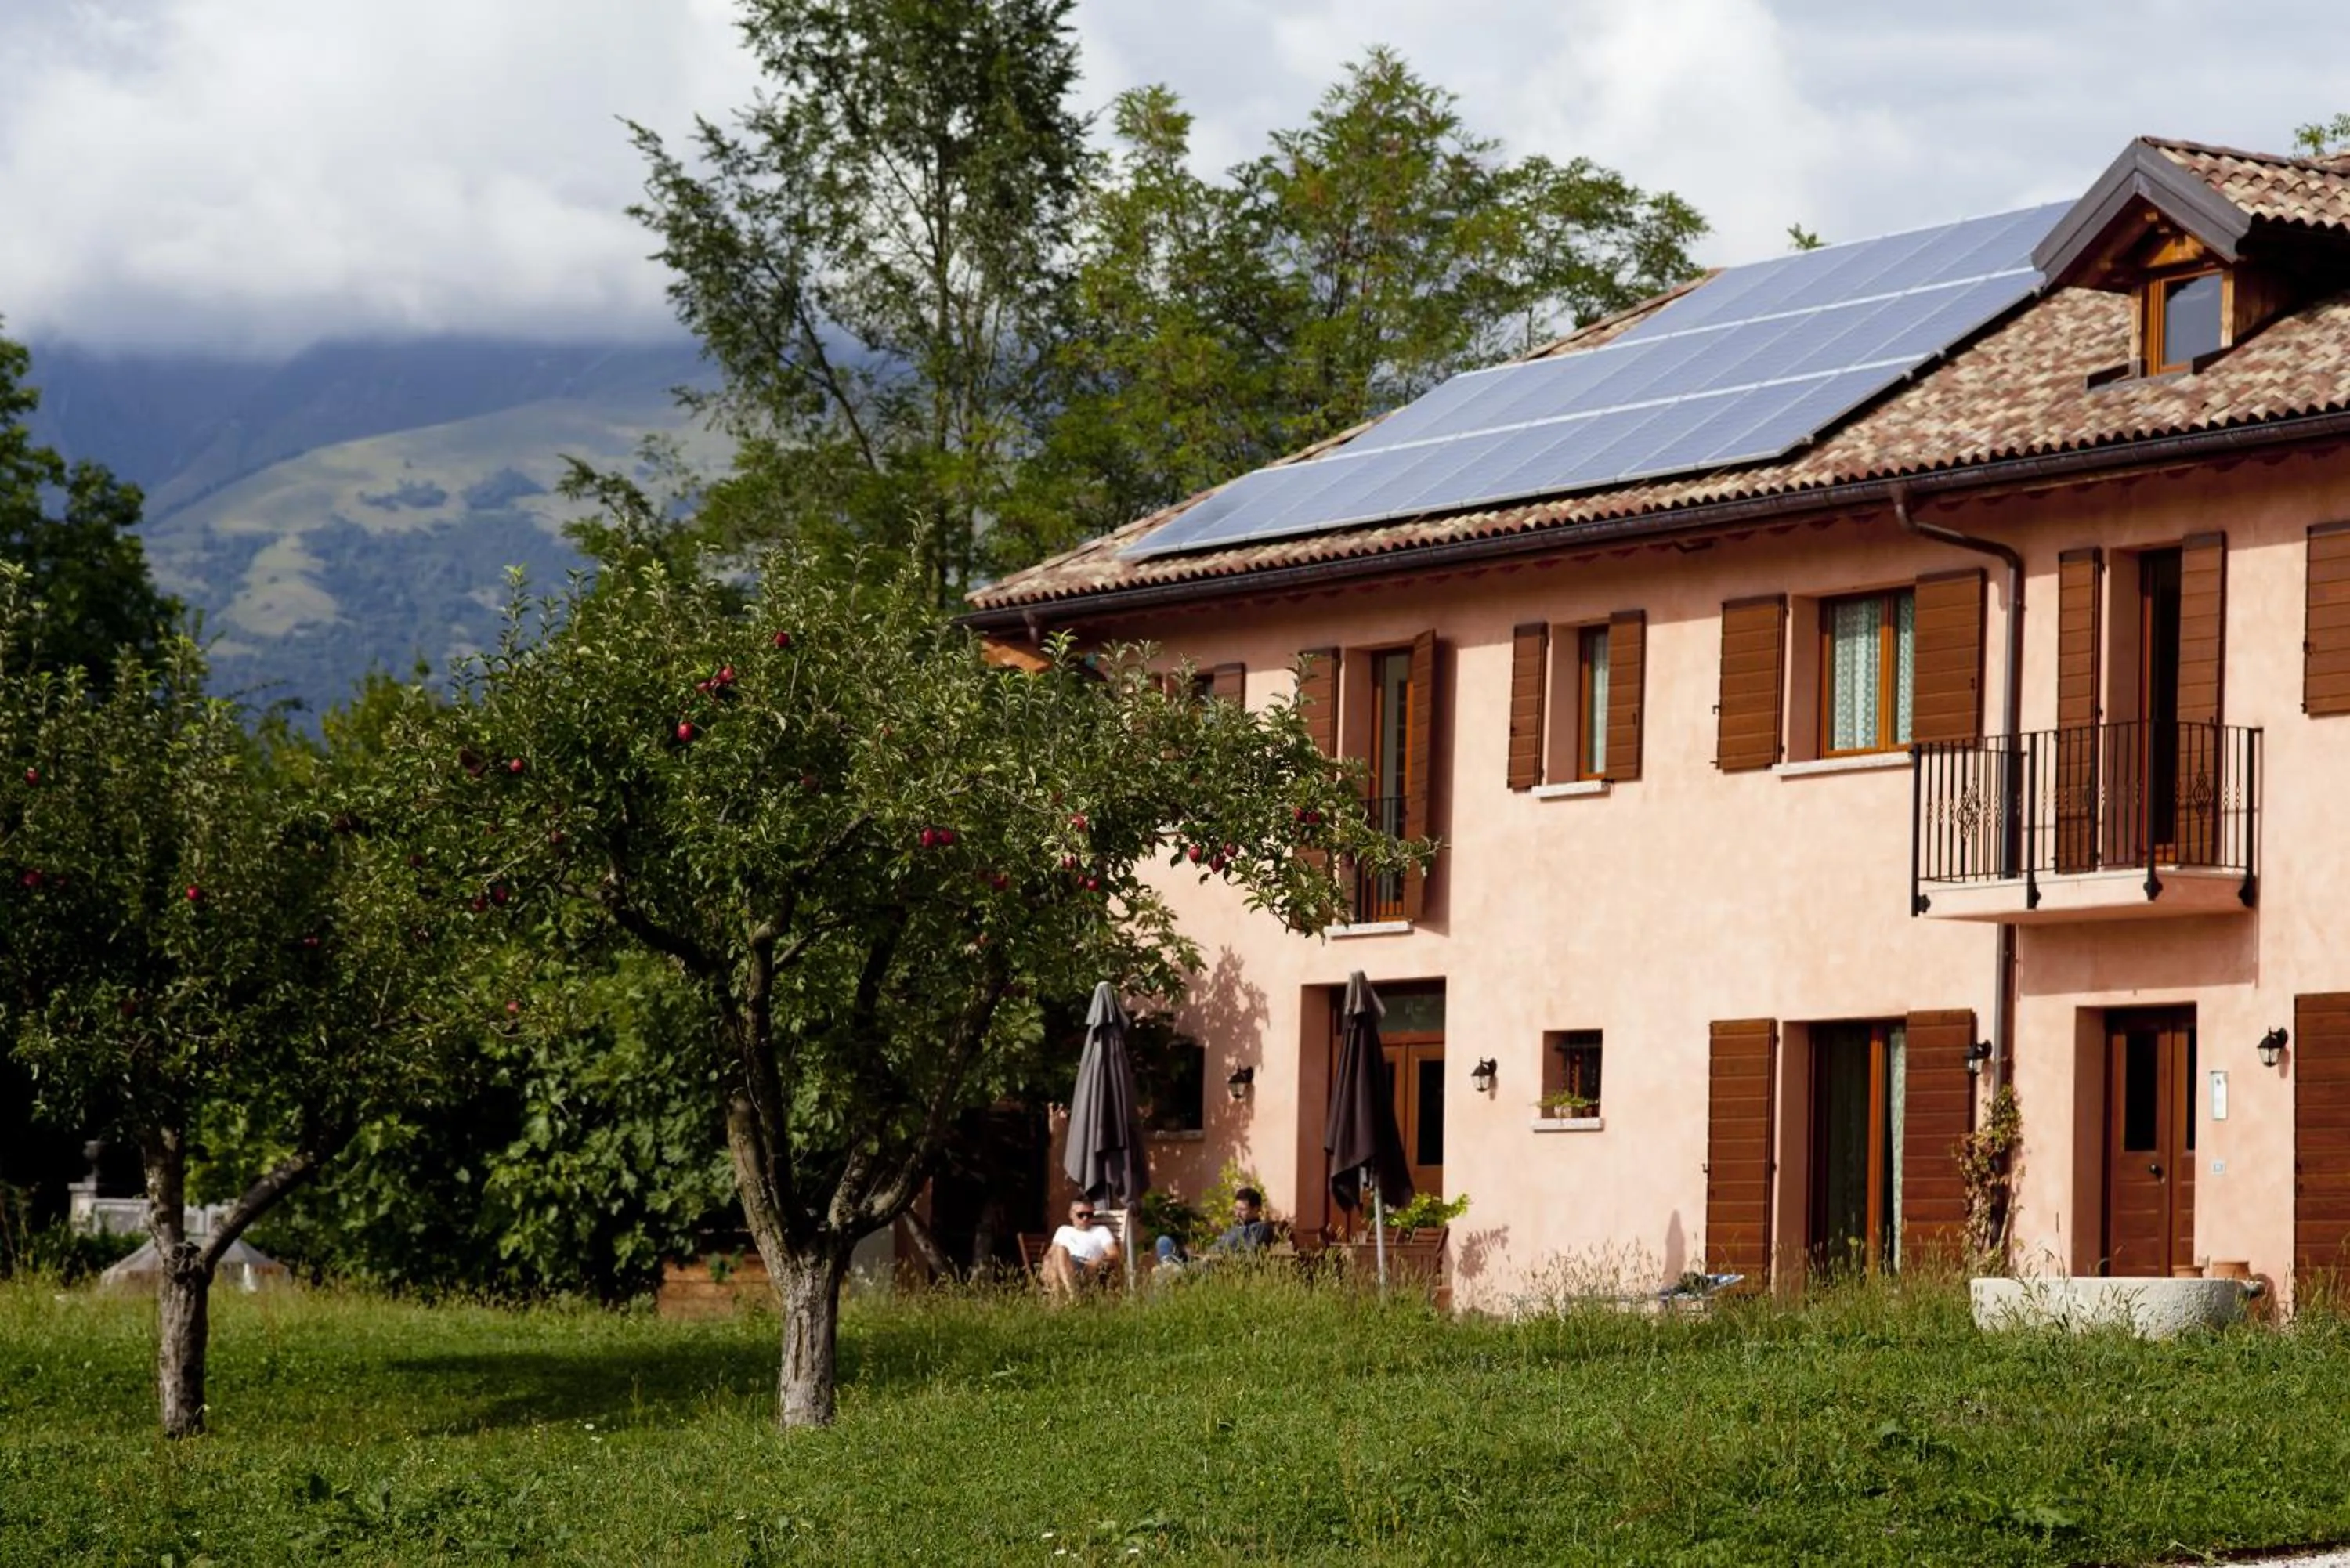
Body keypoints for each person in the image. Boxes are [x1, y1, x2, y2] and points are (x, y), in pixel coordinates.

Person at [1154, 1187, 1274, 1274]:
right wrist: (1197, 1254)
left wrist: (1215, 1258)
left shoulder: (1260, 1228)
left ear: (1256, 1209)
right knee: (1163, 1241)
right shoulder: (1236, 1227)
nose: (1237, 1213)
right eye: (1236, 1208)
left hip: (1213, 1266)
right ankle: (1170, 1266)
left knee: (1163, 1275)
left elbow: (1248, 1256)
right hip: (1201, 1259)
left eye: (1242, 1209)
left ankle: (1171, 1268)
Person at [1039, 1198, 1121, 1299]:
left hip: (1085, 1266)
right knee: (1056, 1254)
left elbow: (1114, 1254)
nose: (1085, 1218)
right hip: (1060, 1265)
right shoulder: (1063, 1230)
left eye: (1089, 1215)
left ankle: (1064, 1298)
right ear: (1071, 1215)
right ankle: (1069, 1296)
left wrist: (1098, 1261)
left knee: (1061, 1250)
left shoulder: (1101, 1231)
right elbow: (1050, 1253)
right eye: (1081, 1215)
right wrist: (1047, 1261)